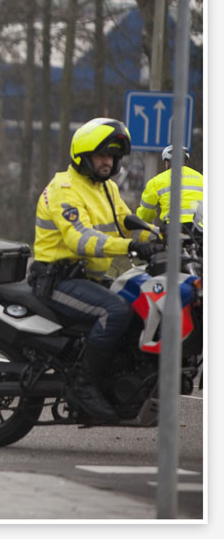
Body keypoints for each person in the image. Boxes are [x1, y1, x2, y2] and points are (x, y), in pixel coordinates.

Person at [29, 117, 159, 422]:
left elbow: (127, 224)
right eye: (102, 155)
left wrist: (162, 235)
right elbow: (80, 239)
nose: (108, 162)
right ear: (83, 156)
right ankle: (83, 384)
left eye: (112, 157)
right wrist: (130, 248)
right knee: (114, 312)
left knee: (136, 304)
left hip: (87, 277)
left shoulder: (107, 188)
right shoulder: (64, 188)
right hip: (56, 279)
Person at [136, 145, 204, 228]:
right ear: (186, 162)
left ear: (167, 163)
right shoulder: (202, 179)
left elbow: (145, 215)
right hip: (199, 231)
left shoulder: (156, 181)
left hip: (171, 230)